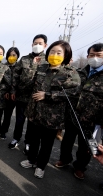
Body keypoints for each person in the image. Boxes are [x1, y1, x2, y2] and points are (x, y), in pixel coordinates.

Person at [20, 40, 80, 179]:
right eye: (52, 52)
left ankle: (41, 166)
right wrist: (32, 67)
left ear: (66, 55)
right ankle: (31, 160)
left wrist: (47, 95)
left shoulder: (70, 72)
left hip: (52, 117)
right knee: (33, 140)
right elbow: (26, 83)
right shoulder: (41, 68)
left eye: (58, 52)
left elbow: (74, 92)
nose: (54, 55)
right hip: (35, 112)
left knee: (47, 144)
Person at [55, 43, 103, 180]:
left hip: (94, 120)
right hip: (73, 115)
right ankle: (65, 159)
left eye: (98, 55)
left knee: (86, 147)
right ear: (87, 56)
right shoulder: (79, 73)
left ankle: (80, 167)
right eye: (92, 55)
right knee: (67, 141)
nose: (94, 58)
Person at [10, 34, 48, 153]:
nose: (37, 45)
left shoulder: (47, 61)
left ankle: (28, 142)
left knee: (32, 123)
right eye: (35, 43)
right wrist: (13, 90)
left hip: (36, 98)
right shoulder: (24, 59)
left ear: (45, 45)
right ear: (32, 45)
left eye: (40, 43)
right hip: (22, 96)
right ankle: (16, 138)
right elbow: (15, 75)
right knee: (19, 120)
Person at [2, 47, 19, 147]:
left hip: (19, 96)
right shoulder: (4, 67)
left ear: (17, 56)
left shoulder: (20, 67)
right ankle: (3, 132)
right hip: (7, 95)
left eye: (14, 55)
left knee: (19, 119)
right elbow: (2, 81)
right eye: (10, 55)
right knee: (7, 115)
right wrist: (6, 91)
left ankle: (16, 138)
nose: (11, 57)